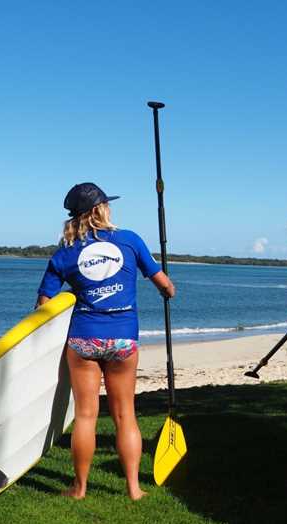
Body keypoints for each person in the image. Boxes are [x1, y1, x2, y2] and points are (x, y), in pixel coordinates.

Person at [36, 182, 175, 501]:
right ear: (101, 209)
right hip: (123, 339)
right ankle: (134, 489)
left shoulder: (65, 253)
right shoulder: (130, 240)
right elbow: (164, 284)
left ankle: (80, 488)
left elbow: (44, 304)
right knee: (125, 413)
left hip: (84, 339)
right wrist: (168, 290)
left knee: (86, 414)